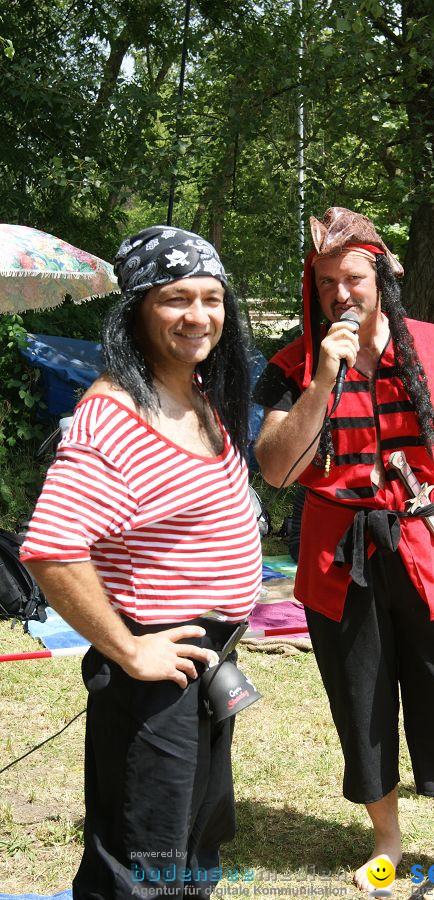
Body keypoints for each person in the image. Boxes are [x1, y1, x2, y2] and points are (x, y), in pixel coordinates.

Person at [253, 207, 434, 890]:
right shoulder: (293, 363)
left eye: (352, 277)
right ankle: (387, 842)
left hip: (425, 544)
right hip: (336, 553)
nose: (339, 294)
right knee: (360, 700)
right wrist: (322, 380)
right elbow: (278, 468)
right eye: (324, 283)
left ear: (380, 276)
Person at [21, 226, 262, 900]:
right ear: (136, 311)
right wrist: (128, 649)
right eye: (175, 298)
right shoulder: (115, 415)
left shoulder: (196, 396)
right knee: (143, 862)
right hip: (155, 675)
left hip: (203, 666)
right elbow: (51, 546)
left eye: (211, 298)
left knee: (191, 847)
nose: (198, 316)